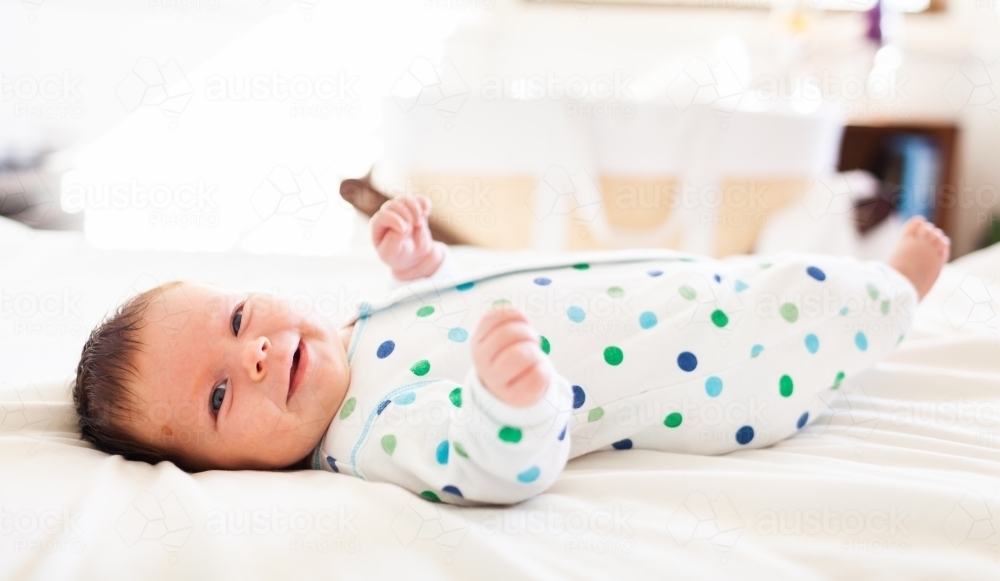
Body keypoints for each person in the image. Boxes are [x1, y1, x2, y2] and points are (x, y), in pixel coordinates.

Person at [73, 194, 950, 505]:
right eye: (221, 397)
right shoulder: (371, 431)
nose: (256, 355)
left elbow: (448, 304)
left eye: (237, 320)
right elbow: (486, 464)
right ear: (219, 470)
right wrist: (512, 402)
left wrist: (421, 264)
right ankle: (896, 294)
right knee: (793, 313)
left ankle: (869, 281)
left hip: (656, 291)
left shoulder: (355, 326)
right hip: (713, 371)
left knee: (748, 274)